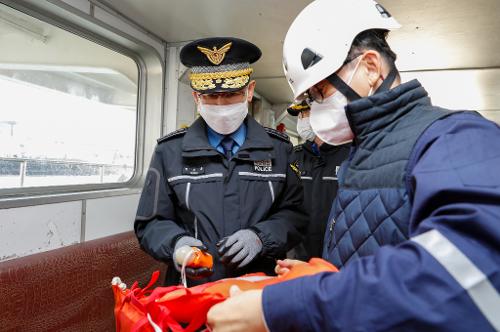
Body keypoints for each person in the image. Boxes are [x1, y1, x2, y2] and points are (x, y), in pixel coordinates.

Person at [206, 0, 500, 331]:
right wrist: (327, 277)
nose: (315, 109)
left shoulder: (456, 137)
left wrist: (290, 305)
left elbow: (477, 273)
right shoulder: (363, 153)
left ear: (371, 68)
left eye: (320, 93)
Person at [134, 37, 308, 286]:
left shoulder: (279, 150)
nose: (220, 105)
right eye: (210, 96)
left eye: (230, 95)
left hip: (257, 287)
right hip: (192, 289)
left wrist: (260, 237)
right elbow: (150, 222)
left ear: (249, 91)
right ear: (196, 97)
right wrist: (176, 244)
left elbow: (295, 215)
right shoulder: (169, 151)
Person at [288, 100, 350, 259]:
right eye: (300, 115)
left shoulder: (350, 157)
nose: (302, 119)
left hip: (337, 258)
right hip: (298, 259)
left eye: (306, 112)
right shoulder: (293, 157)